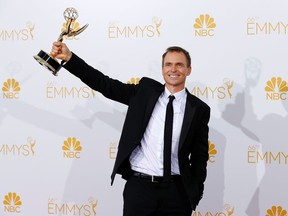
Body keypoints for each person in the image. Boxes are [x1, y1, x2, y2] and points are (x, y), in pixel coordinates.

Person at [51, 42, 210, 216]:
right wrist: (70, 58)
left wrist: (195, 193)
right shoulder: (145, 91)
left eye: (179, 64)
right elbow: (105, 85)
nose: (173, 69)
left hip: (176, 193)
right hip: (140, 189)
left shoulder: (199, 109)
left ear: (188, 70)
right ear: (163, 68)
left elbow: (199, 157)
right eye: (168, 64)